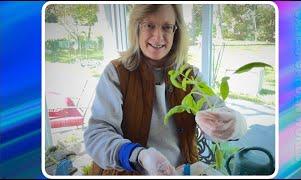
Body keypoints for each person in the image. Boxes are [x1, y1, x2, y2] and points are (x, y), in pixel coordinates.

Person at [84, 4, 247, 176]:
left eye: (167, 27)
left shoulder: (190, 76)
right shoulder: (116, 73)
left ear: (176, 31)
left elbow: (217, 113)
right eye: (149, 25)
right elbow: (97, 135)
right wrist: (139, 155)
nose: (158, 36)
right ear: (137, 26)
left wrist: (235, 125)